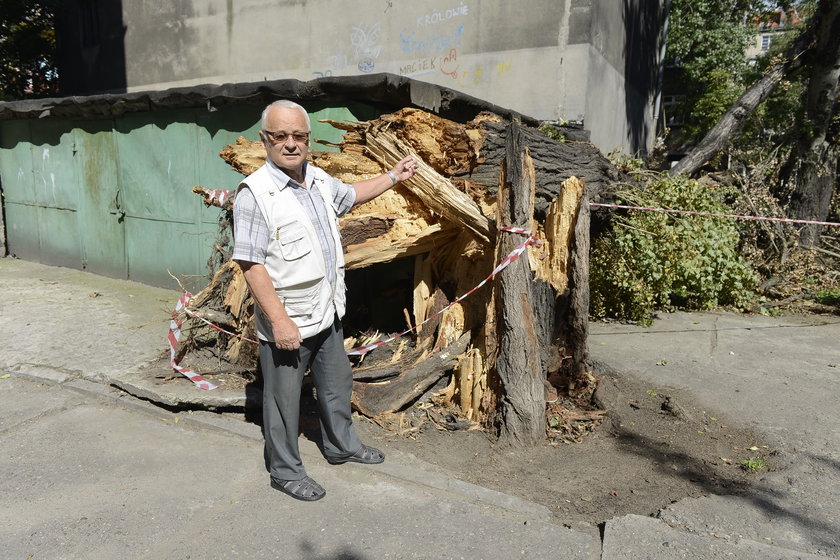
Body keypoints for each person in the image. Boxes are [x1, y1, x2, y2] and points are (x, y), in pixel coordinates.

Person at [232, 99, 418, 502]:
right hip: (290, 321)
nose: (290, 143)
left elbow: (351, 195)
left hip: (327, 310)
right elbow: (252, 266)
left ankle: (341, 446)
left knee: (336, 385)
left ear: (308, 139)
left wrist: (393, 176)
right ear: (265, 139)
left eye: (298, 135)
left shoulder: (316, 180)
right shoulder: (255, 194)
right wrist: (279, 321)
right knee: (283, 402)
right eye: (280, 135)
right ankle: (284, 471)